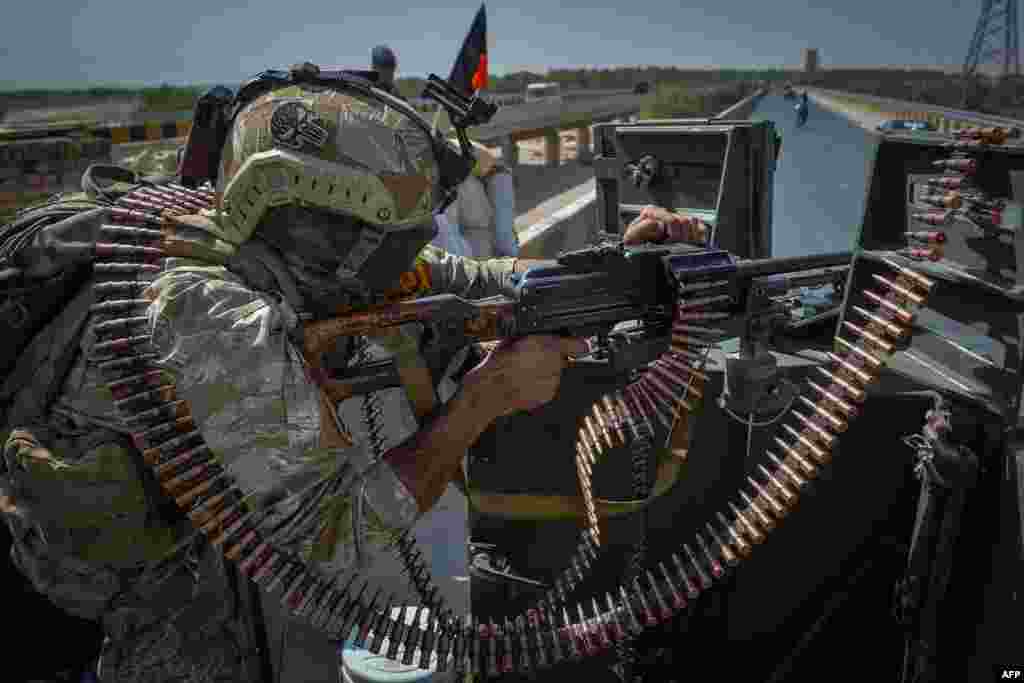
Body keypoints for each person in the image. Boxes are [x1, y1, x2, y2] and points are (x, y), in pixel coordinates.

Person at [0, 66, 705, 683]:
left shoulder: (304, 258)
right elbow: (341, 542)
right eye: (386, 247)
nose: (404, 266)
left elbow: (476, 277)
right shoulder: (206, 316)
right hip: (167, 567)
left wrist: (608, 267)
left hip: (235, 500)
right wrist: (489, 395)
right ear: (318, 233)